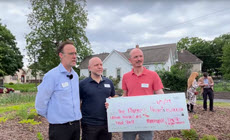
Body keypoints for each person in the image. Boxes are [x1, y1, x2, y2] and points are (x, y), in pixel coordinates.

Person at [35, 40, 82, 140]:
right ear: (61, 55)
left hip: (76, 126)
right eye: (70, 54)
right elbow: (40, 103)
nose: (74, 56)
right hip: (59, 129)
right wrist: (53, 117)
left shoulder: (75, 75)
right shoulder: (51, 76)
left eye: (75, 53)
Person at [122, 48, 164, 140]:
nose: (139, 59)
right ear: (130, 60)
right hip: (130, 117)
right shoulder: (126, 77)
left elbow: (161, 95)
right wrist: (114, 105)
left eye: (141, 56)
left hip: (147, 116)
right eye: (136, 57)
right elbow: (124, 95)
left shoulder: (153, 75)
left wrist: (176, 112)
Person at [79, 57, 115, 140]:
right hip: (89, 124)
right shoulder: (82, 84)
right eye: (96, 65)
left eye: (101, 65)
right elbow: (78, 101)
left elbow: (113, 97)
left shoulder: (109, 82)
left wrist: (112, 102)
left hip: (107, 124)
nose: (99, 67)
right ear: (89, 68)